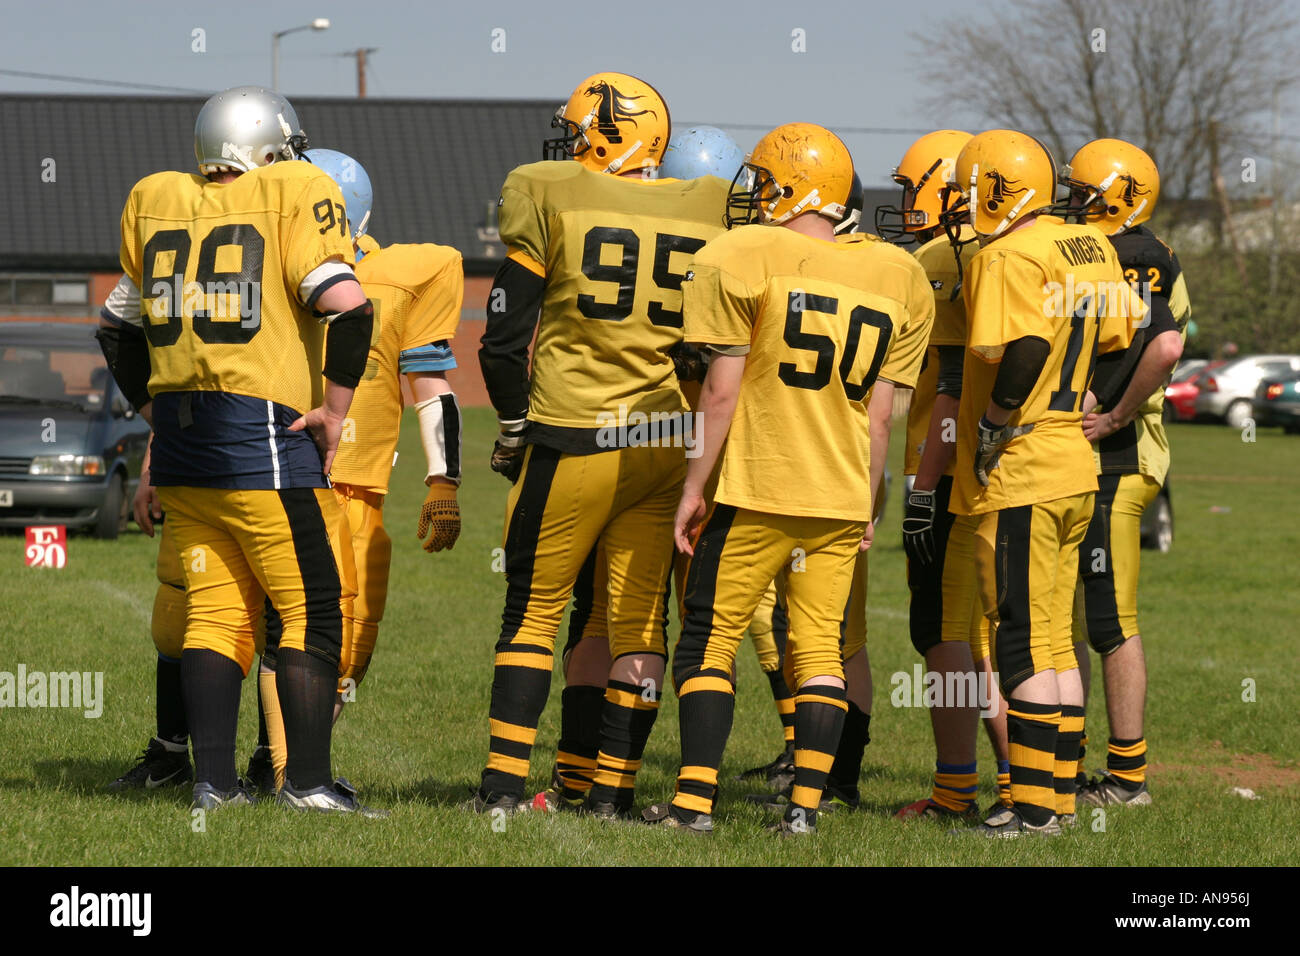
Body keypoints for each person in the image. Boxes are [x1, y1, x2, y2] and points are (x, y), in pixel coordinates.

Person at [643, 122, 934, 834]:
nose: (754, 196)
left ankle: (692, 804)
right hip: (838, 495)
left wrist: (691, 488)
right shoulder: (895, 277)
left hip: (757, 485)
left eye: (765, 183)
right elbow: (881, 420)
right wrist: (867, 504)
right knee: (818, 650)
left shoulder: (744, 254)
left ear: (793, 188)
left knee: (708, 640)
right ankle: (805, 811)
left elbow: (720, 394)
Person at [96, 85, 374, 813]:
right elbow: (349, 307)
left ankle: (214, 786)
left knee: (214, 615)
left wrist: (159, 414)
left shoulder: (159, 199)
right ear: (270, 149)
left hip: (187, 454)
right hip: (266, 442)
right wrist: (336, 412)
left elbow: (115, 328)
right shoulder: (292, 190)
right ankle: (307, 785)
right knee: (313, 610)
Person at [474, 72, 731, 817]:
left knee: (533, 612)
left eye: (581, 126)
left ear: (609, 129)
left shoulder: (547, 189)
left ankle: (499, 790)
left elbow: (500, 341)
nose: (570, 140)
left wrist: (516, 425)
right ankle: (610, 793)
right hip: (665, 440)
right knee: (637, 622)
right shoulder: (707, 207)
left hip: (576, 433)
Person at [941, 129, 1143, 837]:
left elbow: (1023, 347)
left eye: (972, 188)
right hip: (1075, 467)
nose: (964, 202)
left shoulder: (1008, 255)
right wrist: (1092, 399)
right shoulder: (1091, 244)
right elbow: (1126, 338)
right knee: (1055, 639)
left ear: (1000, 188)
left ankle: (1032, 809)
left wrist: (995, 420)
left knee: (1024, 640)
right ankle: (1053, 795)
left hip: (1024, 468)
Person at [248, 148, 466, 793]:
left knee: (348, 633)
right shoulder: (252, 266)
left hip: (356, 483)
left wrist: (443, 478)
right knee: (282, 620)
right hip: (279, 467)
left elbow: (429, 382)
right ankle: (284, 768)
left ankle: (281, 758)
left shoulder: (401, 274)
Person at [881, 130, 1013, 821]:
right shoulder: (1020, 252)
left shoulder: (945, 258)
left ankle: (958, 790)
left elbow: (952, 390)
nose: (905, 203)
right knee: (996, 638)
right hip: (1017, 473)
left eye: (912, 189)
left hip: (951, 473)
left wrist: (922, 491)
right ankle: (1027, 782)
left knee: (944, 637)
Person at [1061, 139, 1189, 808]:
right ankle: (1066, 764)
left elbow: (1168, 344)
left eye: (1083, 192)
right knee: (1079, 619)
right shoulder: (1159, 255)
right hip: (1104, 455)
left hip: (1118, 455)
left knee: (1109, 620)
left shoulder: (1126, 256)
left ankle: (1128, 779)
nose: (1070, 203)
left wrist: (1112, 414)